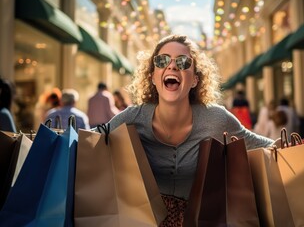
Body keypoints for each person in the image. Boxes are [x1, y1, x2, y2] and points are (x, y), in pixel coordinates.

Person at [100, 34, 274, 225]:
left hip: (204, 220)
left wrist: (294, 146)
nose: (172, 66)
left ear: (195, 80)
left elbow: (266, 146)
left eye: (183, 62)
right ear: (152, 77)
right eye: (162, 60)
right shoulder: (133, 117)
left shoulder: (216, 118)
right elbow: (91, 140)